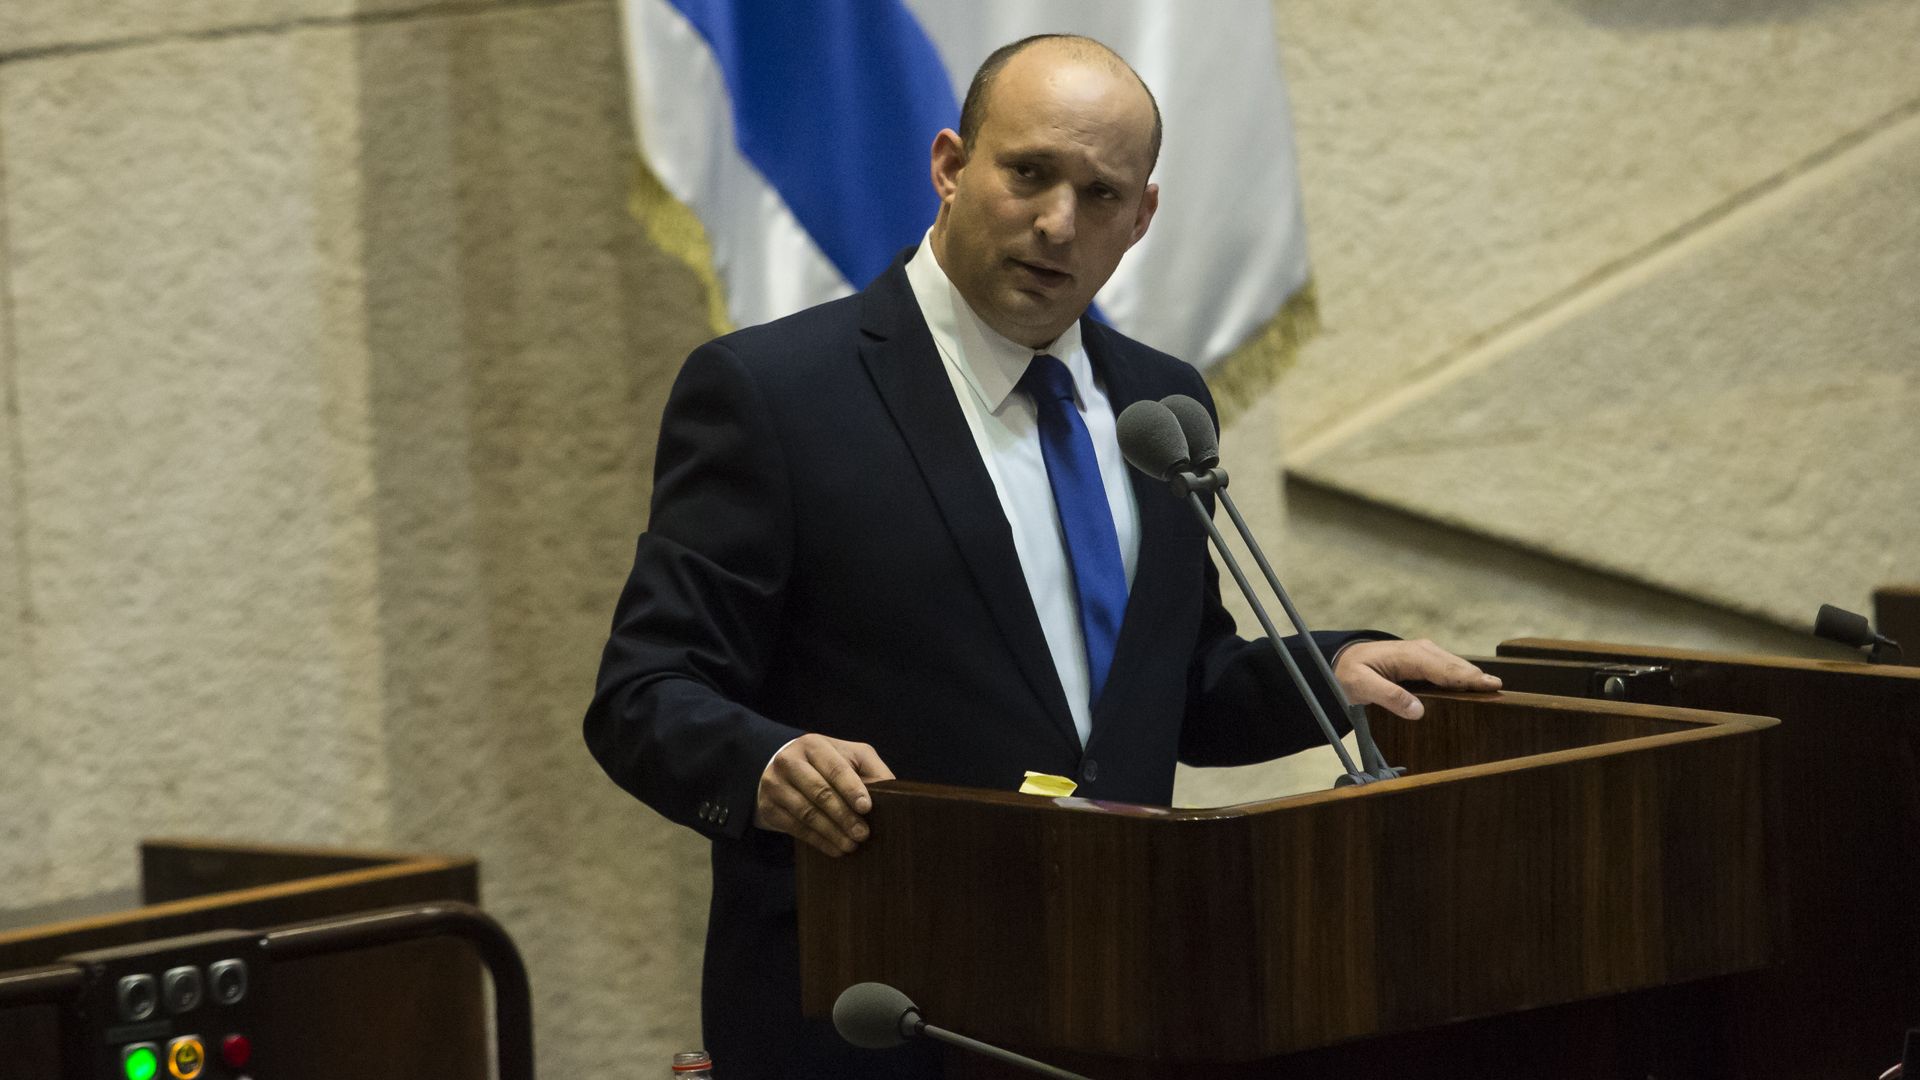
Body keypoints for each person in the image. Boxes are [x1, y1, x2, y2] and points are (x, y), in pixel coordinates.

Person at [585, 33, 1499, 1079]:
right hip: (870, 1008)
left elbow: (1176, 687)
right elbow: (643, 694)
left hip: (1113, 999)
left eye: (1100, 195)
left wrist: (1328, 672)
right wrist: (763, 763)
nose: (1059, 223)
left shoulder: (1161, 406)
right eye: (1028, 174)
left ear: (1141, 217)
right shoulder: (776, 393)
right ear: (949, 166)